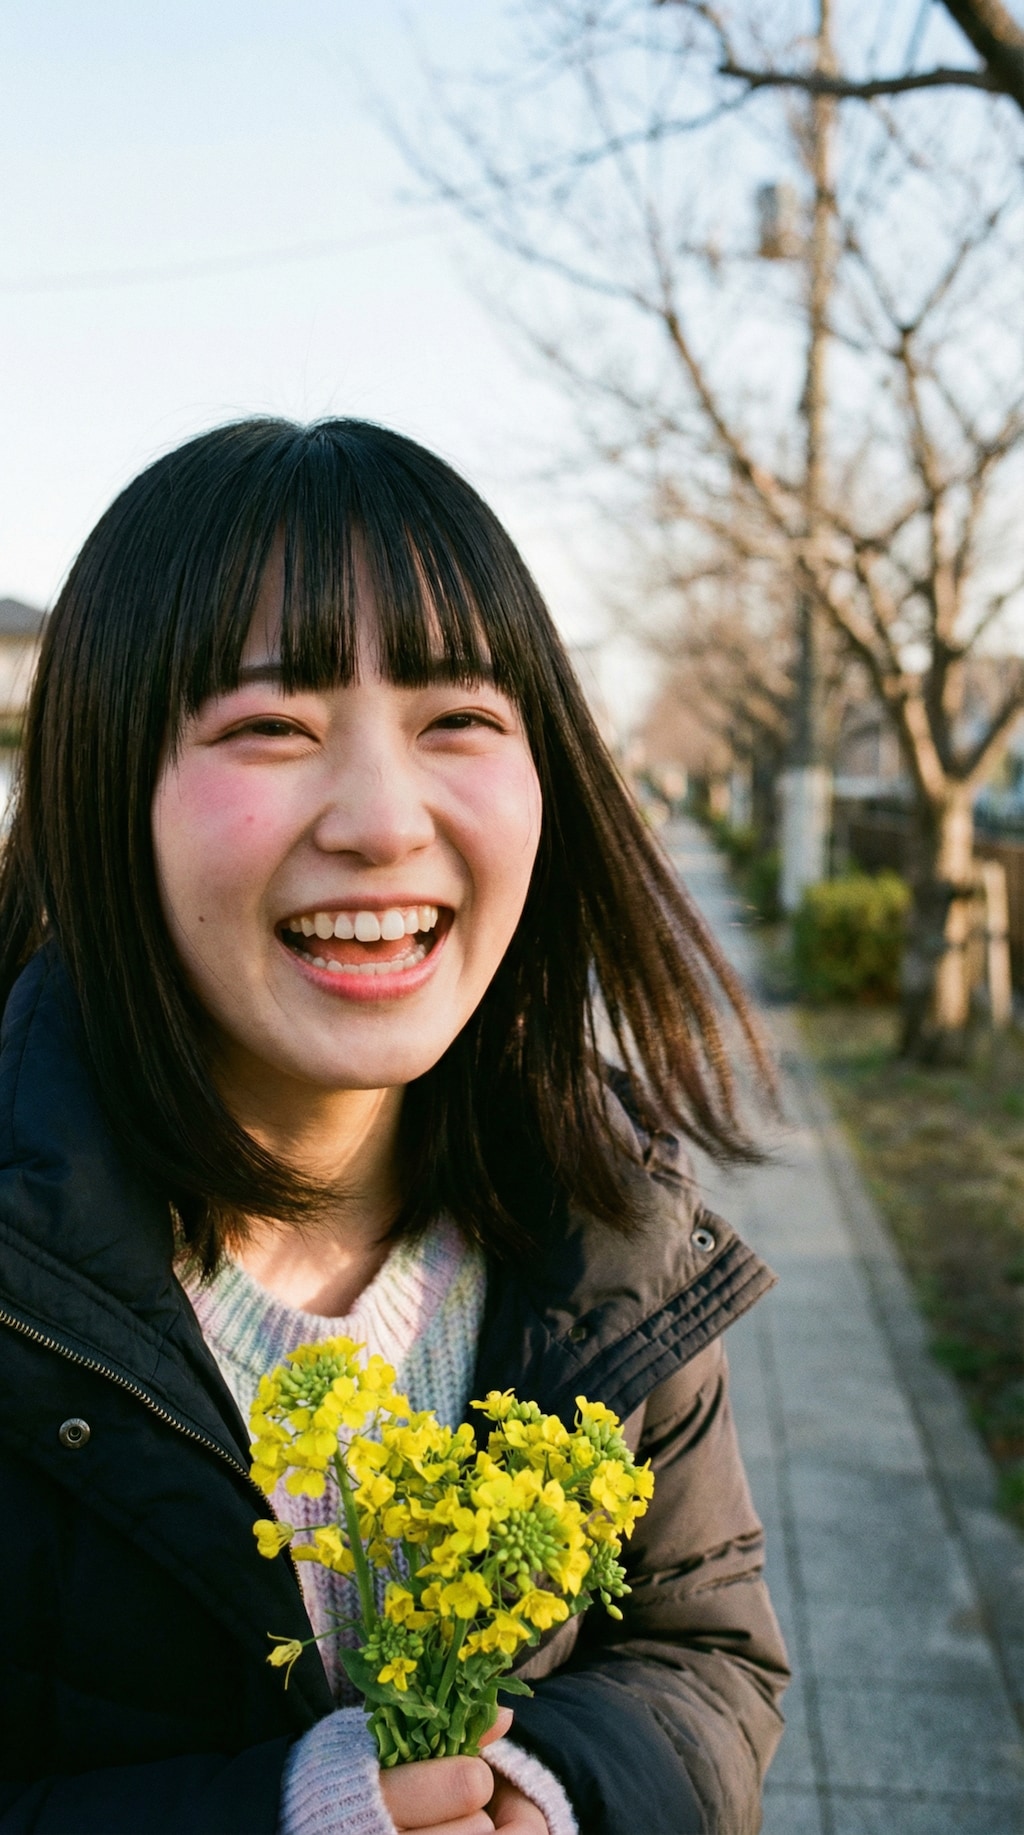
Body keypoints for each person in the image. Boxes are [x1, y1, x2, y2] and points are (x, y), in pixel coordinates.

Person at [0, 418, 789, 1835]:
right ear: (105, 794)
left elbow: (708, 1657)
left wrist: (548, 1797)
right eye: (270, 730)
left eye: (459, 723)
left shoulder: (609, 1221)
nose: (381, 818)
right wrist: (289, 1816)